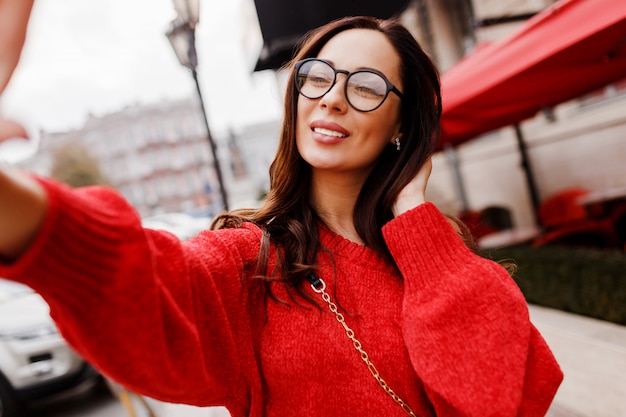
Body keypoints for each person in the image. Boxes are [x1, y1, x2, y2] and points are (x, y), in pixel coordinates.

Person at [0, 9, 562, 417]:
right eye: (316, 75)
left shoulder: (443, 263)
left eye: (366, 85)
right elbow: (140, 281)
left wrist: (414, 213)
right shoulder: (251, 259)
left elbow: (498, 401)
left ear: (400, 125)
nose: (332, 97)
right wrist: (26, 209)